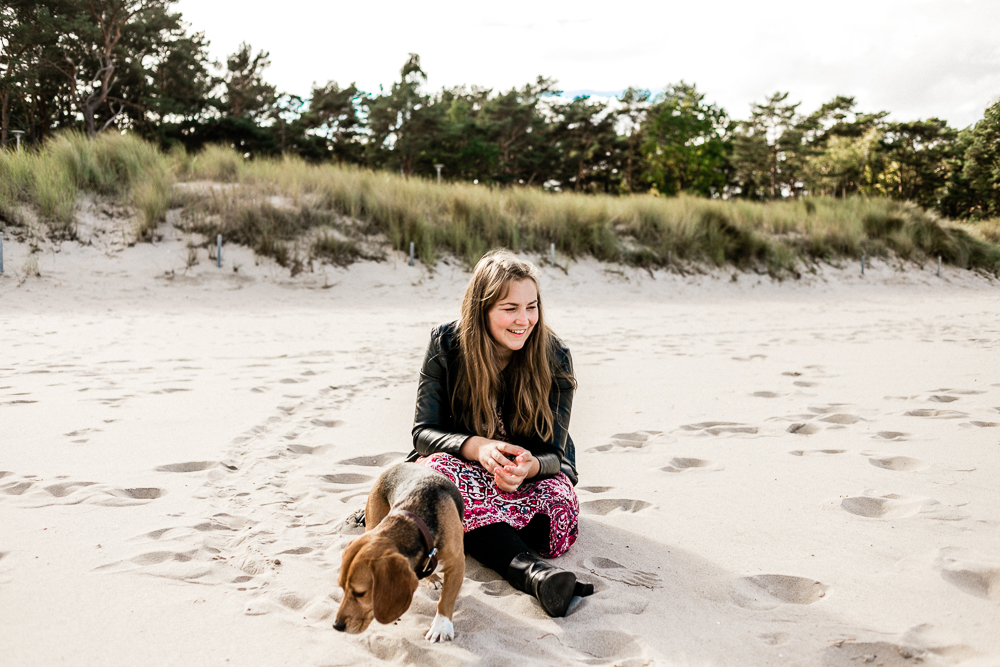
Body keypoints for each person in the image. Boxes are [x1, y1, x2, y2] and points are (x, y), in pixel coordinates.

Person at [406, 248, 593, 617]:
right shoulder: (446, 345)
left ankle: (479, 531)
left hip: (531, 475)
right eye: (510, 308)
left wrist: (528, 467)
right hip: (462, 465)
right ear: (483, 308)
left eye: (532, 306)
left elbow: (555, 453)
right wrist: (477, 448)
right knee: (440, 477)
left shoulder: (555, 355)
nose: (524, 320)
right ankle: (535, 577)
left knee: (558, 502)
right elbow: (423, 432)